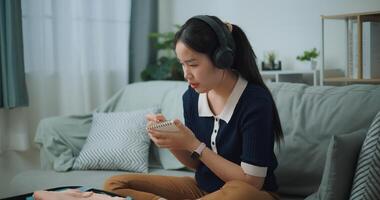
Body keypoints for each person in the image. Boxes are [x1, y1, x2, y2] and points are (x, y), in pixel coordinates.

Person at [103, 15, 284, 200]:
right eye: (182, 64)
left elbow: (253, 182)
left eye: (193, 64)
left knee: (240, 193)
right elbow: (196, 165)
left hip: (248, 194)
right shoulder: (191, 97)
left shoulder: (255, 101)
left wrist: (194, 144)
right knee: (114, 184)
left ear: (222, 59)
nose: (186, 74)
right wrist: (173, 139)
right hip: (204, 191)